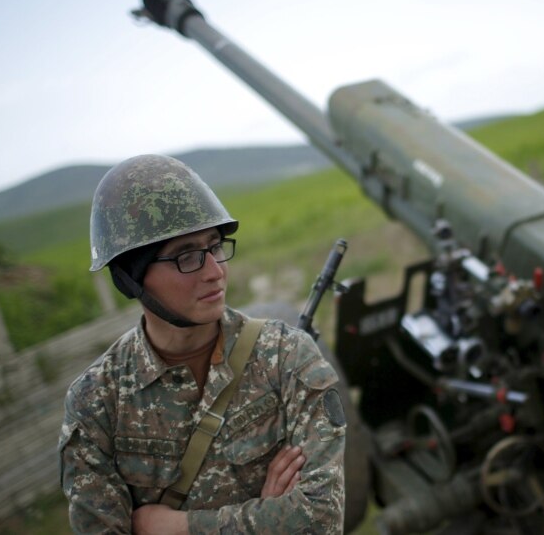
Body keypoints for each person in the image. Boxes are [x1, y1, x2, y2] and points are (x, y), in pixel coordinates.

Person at [59, 154, 346, 534]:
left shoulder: (286, 356)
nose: (215, 271)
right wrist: (269, 517)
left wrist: (176, 527)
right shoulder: (97, 403)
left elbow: (321, 518)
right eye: (187, 256)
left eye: (214, 247)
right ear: (131, 277)